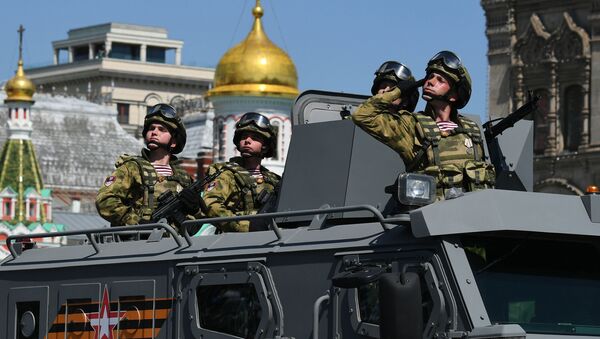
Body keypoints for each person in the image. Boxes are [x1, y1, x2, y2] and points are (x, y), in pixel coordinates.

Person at [352, 51, 495, 199]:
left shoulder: (471, 129)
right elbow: (362, 115)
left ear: (454, 95)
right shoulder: (411, 125)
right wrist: (398, 91)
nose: (430, 81)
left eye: (440, 79)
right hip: (432, 216)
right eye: (430, 77)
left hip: (475, 214)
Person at [96, 103, 200, 232]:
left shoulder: (183, 177)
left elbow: (200, 220)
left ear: (173, 141)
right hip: (138, 241)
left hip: (176, 243)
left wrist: (195, 207)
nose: (154, 132)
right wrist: (137, 223)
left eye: (162, 129)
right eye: (151, 128)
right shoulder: (131, 168)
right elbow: (105, 200)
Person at [202, 112, 281, 232]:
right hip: (235, 240)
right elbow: (212, 206)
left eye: (255, 138)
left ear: (265, 146)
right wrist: (247, 226)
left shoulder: (275, 180)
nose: (247, 141)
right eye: (244, 137)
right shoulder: (226, 174)